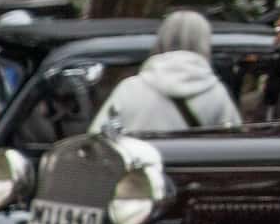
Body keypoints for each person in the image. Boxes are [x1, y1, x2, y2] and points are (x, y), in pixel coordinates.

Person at [94, 9, 245, 138]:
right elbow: (233, 142)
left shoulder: (129, 88)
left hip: (140, 170)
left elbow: (98, 139)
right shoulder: (216, 93)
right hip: (192, 171)